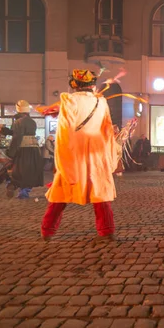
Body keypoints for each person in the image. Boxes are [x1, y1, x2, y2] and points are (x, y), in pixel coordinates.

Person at [41, 69, 119, 241]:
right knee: (100, 195)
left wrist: (61, 158)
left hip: (74, 154)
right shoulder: (101, 102)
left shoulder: (68, 101)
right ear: (92, 85)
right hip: (96, 153)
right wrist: (109, 155)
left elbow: (64, 131)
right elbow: (107, 130)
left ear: (74, 85)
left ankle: (47, 231)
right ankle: (107, 231)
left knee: (60, 194)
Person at [0, 100, 44, 199]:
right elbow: (20, 133)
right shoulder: (32, 122)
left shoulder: (18, 122)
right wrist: (6, 131)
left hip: (22, 150)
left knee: (18, 170)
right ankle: (24, 192)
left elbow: (17, 137)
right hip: (34, 149)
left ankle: (12, 185)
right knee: (30, 171)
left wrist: (11, 152)